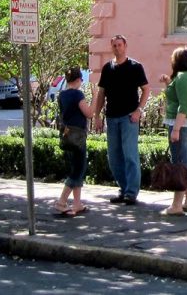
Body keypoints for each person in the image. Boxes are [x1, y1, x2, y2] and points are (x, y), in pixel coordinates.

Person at [91, 34, 149, 205]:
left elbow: (146, 89)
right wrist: (97, 115)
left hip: (129, 117)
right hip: (111, 117)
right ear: (112, 47)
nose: (117, 48)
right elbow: (102, 93)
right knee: (114, 156)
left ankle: (132, 192)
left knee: (130, 155)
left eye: (120, 45)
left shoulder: (135, 67)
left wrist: (139, 110)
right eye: (114, 45)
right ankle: (123, 189)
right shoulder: (108, 68)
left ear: (125, 46)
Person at [159, 46, 187, 216]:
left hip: (183, 124)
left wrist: (176, 129)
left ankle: (177, 205)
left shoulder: (183, 78)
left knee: (179, 164)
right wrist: (168, 83)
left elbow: (183, 105)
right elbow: (183, 96)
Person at [53, 67, 92, 216]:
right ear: (78, 80)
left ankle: (77, 203)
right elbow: (88, 113)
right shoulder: (77, 94)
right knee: (78, 170)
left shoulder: (62, 95)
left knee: (75, 166)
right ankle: (62, 202)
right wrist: (95, 99)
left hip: (66, 134)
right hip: (78, 136)